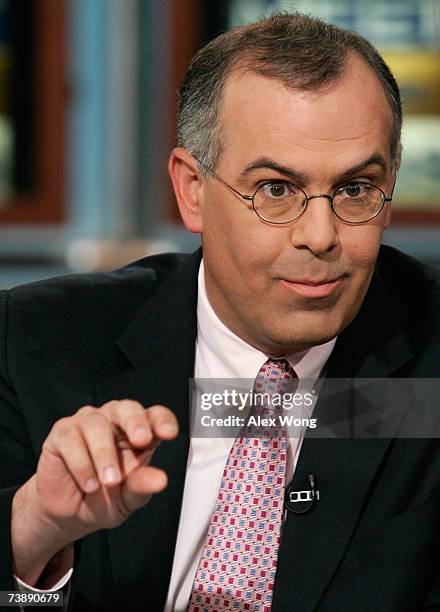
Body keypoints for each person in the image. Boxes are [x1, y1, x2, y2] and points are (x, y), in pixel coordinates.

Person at [1, 11, 440, 612]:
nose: (320, 235)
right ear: (192, 190)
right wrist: (34, 533)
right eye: (276, 190)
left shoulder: (429, 360)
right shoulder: (35, 346)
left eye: (355, 189)